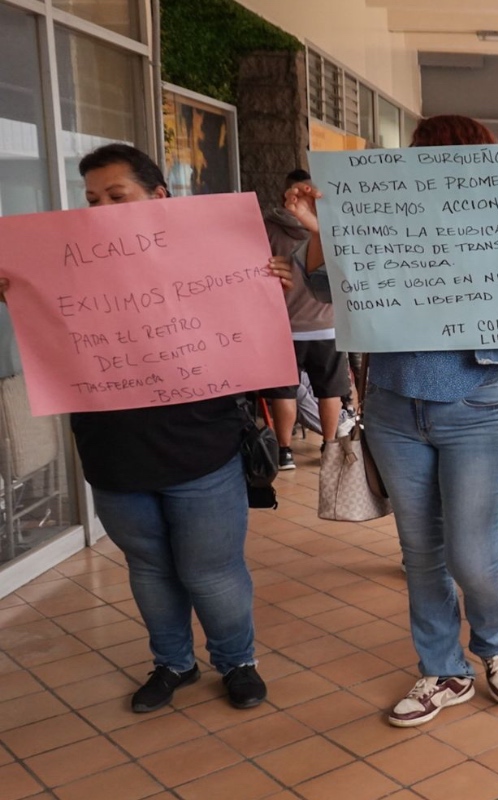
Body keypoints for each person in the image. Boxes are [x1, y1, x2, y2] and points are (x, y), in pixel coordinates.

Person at [273, 115, 498, 728]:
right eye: (424, 158)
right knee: (420, 551)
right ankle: (443, 669)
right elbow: (323, 287)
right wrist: (322, 229)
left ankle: (497, 642)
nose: (437, 173)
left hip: (475, 406)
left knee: (472, 553)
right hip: (393, 407)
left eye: (453, 160)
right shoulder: (388, 213)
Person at [0, 144, 286, 713]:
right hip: (112, 455)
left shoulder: (211, 257)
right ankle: (173, 662)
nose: (102, 209)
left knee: (211, 571)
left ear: (158, 196)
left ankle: (237, 662)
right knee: (149, 567)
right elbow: (47, 326)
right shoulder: (66, 270)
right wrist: (17, 290)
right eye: (92, 200)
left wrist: (267, 283)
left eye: (117, 196)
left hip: (201, 449)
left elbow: (254, 332)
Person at [260, 168, 350, 470]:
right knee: (330, 390)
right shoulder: (334, 229)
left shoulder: (267, 229)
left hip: (283, 326)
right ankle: (329, 444)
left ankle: (284, 451)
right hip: (327, 325)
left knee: (284, 392)